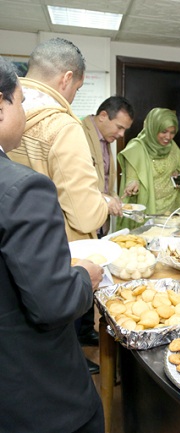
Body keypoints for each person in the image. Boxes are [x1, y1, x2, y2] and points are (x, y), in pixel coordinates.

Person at [0, 56, 105, 433]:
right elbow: (52, 303)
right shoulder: (21, 187)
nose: (25, 112)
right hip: (29, 387)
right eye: (20, 102)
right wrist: (85, 276)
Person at [7, 37, 110, 241]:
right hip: (55, 247)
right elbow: (86, 218)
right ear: (66, 79)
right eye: (77, 89)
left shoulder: (7, 114)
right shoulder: (62, 127)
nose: (73, 97)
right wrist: (104, 204)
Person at [117, 107, 180, 230]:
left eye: (172, 132)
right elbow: (131, 178)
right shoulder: (136, 148)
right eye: (164, 131)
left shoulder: (173, 147)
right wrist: (133, 184)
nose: (168, 137)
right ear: (153, 128)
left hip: (170, 210)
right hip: (147, 212)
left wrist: (178, 178)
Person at [82, 96, 134, 235]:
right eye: (119, 127)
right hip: (83, 223)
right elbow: (76, 183)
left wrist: (113, 196)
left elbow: (103, 179)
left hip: (100, 222)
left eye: (125, 130)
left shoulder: (105, 138)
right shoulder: (79, 134)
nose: (122, 134)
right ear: (103, 116)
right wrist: (104, 198)